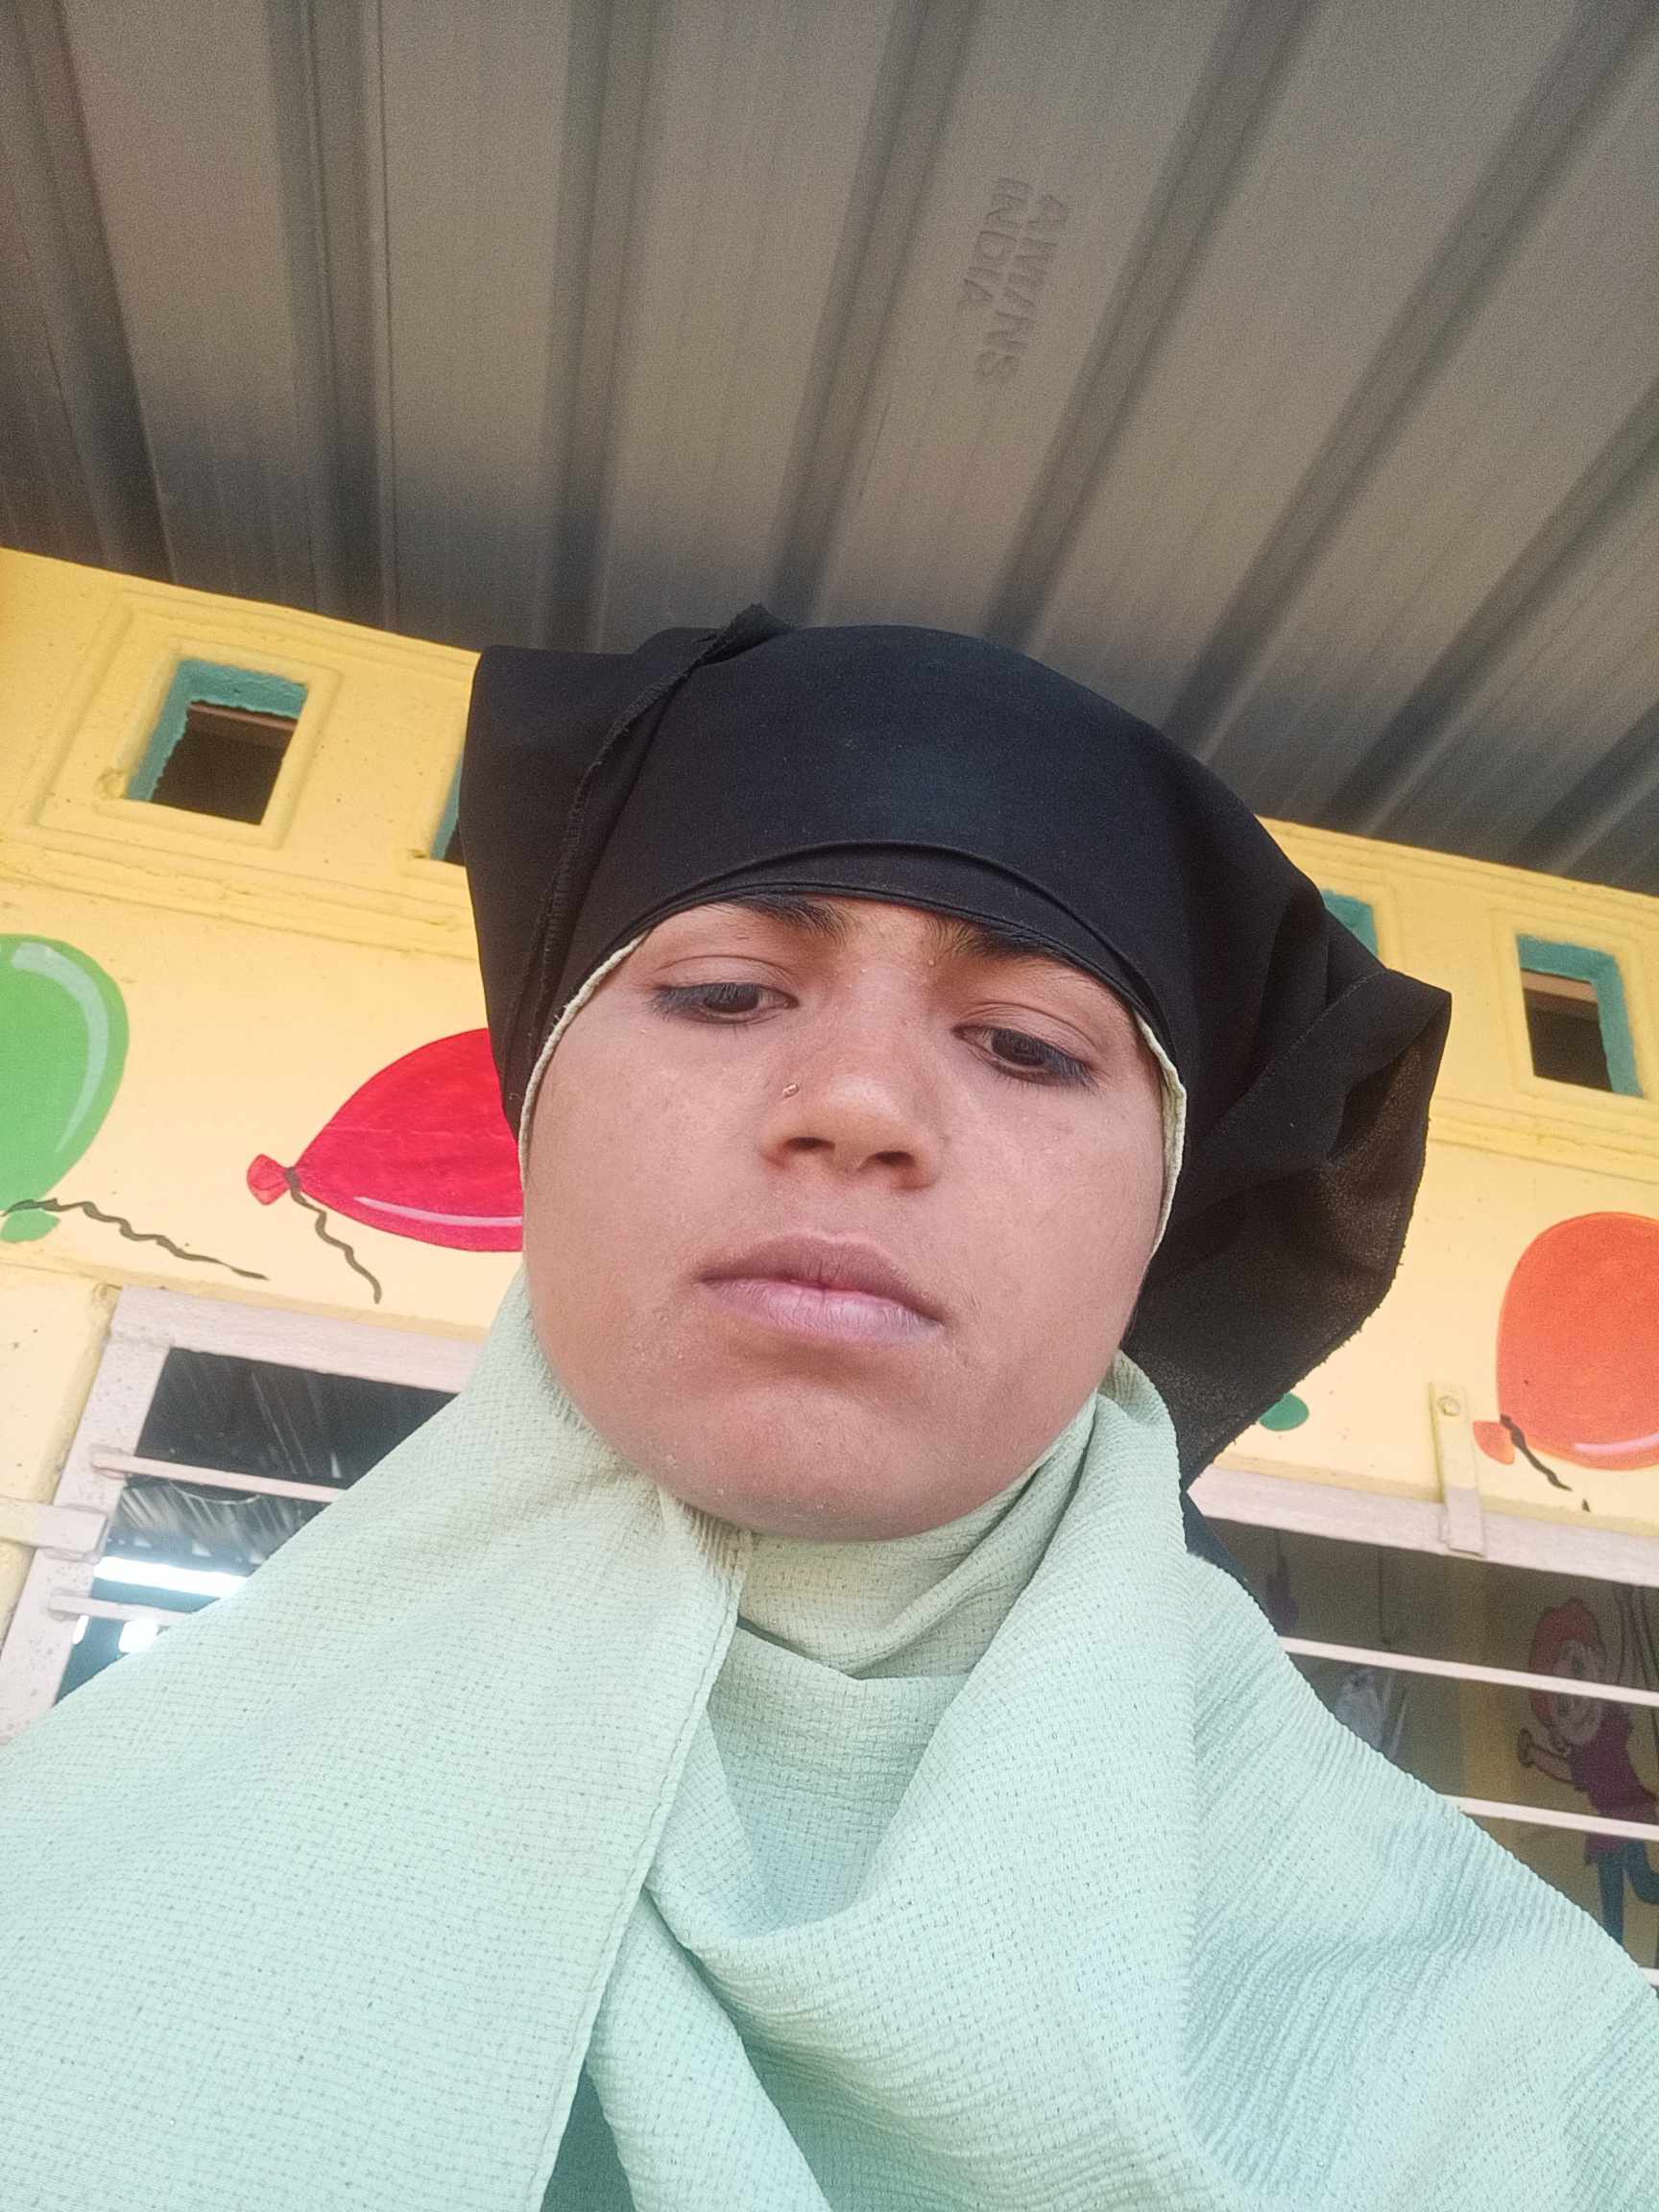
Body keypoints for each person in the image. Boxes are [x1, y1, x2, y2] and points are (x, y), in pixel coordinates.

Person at [2, 608, 1657, 2210]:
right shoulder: (72, 1862)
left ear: (1160, 1213)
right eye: (726, 993)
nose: (859, 1103)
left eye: (1027, 1044)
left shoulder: (1533, 2084)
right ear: (539, 1099)